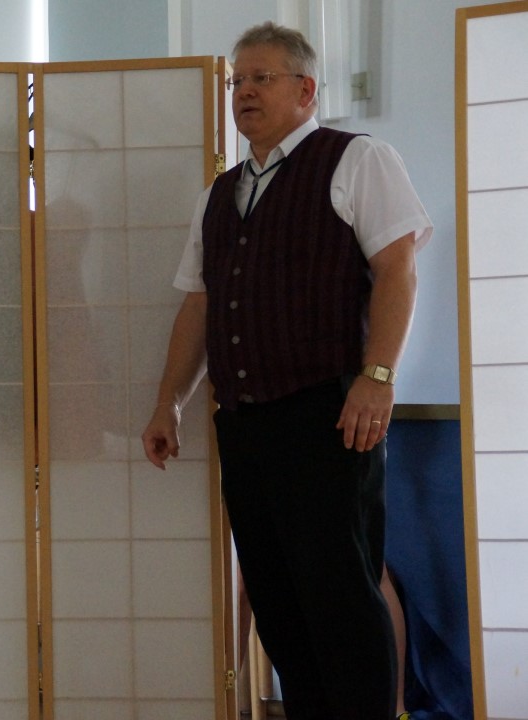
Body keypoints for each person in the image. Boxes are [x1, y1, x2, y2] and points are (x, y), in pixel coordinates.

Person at [141, 21, 432, 720]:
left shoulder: (356, 159)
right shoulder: (219, 193)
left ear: (305, 89)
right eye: (236, 80)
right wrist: (169, 402)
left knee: (341, 594)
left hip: (329, 413)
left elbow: (398, 269)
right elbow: (198, 304)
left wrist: (378, 378)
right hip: (245, 423)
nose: (243, 91)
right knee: (276, 596)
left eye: (260, 78)